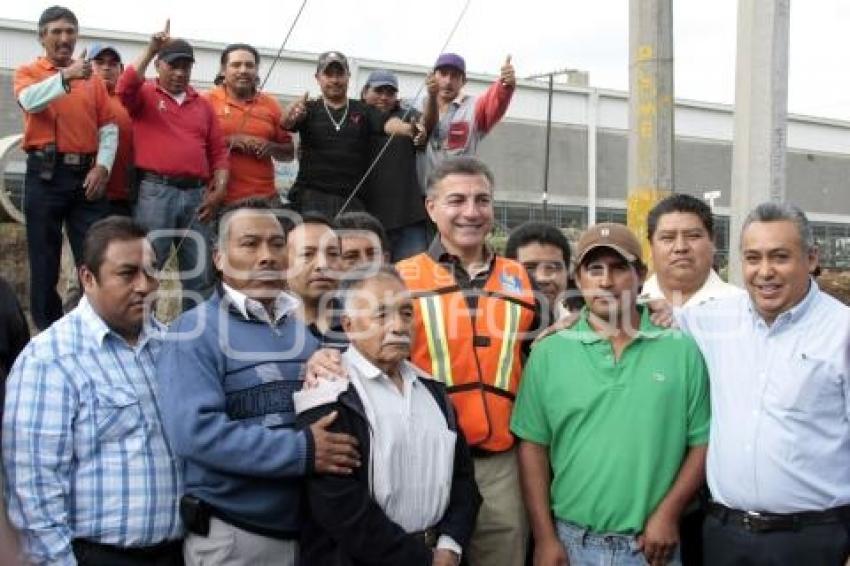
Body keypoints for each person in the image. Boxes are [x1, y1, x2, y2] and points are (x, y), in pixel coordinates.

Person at [155, 199, 360, 565]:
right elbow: (195, 433)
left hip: (309, 534)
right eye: (250, 244)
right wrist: (302, 452)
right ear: (218, 258)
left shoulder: (302, 334)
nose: (267, 256)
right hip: (238, 534)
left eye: (277, 244)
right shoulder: (194, 331)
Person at [511, 222, 710, 566]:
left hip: (651, 547)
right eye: (595, 269)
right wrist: (544, 537)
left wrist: (668, 513)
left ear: (641, 274)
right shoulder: (550, 351)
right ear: (579, 278)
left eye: (619, 268)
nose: (606, 281)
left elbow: (701, 442)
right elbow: (532, 448)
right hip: (571, 544)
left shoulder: (681, 349)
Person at [672, 203, 850, 565]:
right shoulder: (711, 321)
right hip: (724, 538)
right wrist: (568, 322)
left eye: (780, 257)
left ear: (811, 258)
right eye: (753, 258)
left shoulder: (843, 332)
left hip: (814, 543)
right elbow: (639, 319)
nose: (764, 272)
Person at [3, 217, 183, 565]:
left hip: (176, 552)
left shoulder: (170, 346)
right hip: (96, 555)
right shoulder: (50, 359)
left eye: (151, 272)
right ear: (88, 278)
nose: (145, 286)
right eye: (128, 274)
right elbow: (33, 494)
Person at [396, 156, 538, 566]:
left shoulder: (520, 277)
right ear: (431, 207)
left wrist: (650, 306)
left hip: (501, 466)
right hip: (427, 462)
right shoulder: (401, 277)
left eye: (482, 200)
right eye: (457, 200)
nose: (471, 212)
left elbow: (563, 331)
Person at [294, 265, 481, 565]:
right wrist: (421, 559)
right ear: (350, 325)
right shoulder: (328, 393)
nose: (398, 326)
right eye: (381, 315)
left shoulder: (433, 391)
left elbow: (463, 480)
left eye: (406, 313)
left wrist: (450, 546)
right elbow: (338, 505)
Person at [14, 5, 117, 329]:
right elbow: (29, 101)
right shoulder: (28, 71)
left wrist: (103, 167)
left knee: (95, 255)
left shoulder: (93, 80)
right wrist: (66, 76)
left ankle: (92, 327)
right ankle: (47, 331)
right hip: (44, 174)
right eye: (56, 32)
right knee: (44, 260)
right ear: (42, 37)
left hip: (86, 176)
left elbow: (109, 127)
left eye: (70, 31)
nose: (64, 38)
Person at [117, 21, 228, 311]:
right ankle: (143, 332)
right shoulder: (145, 95)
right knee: (148, 266)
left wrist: (219, 191)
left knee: (200, 271)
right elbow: (124, 86)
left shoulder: (203, 105)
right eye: (172, 65)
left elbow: (218, 151)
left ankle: (198, 336)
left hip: (197, 196)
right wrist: (152, 46)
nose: (179, 72)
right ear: (158, 66)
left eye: (185, 67)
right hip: (156, 191)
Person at [282, 51, 423, 218]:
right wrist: (290, 113)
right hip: (310, 199)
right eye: (328, 74)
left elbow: (388, 124)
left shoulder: (363, 110)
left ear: (348, 76)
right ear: (318, 77)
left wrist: (409, 129)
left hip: (352, 201)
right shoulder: (308, 108)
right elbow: (286, 123)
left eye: (340, 74)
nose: (335, 80)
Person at [206, 43, 294, 204]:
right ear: (223, 70)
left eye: (249, 65)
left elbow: (289, 154)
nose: (243, 70)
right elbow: (193, 146)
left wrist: (271, 147)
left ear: (256, 70)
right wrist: (228, 141)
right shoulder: (206, 101)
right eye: (236, 65)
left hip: (266, 199)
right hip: (220, 200)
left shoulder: (271, 104)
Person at [360, 69, 432, 261]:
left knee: (415, 283)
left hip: (408, 218)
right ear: (364, 91)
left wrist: (419, 130)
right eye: (378, 91)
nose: (384, 97)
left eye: (390, 93)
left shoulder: (408, 114)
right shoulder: (354, 117)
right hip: (366, 221)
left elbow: (423, 127)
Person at [416, 53, 515, 186]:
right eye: (443, 74)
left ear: (464, 82)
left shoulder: (474, 107)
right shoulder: (416, 105)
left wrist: (505, 84)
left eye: (455, 76)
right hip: (420, 195)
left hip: (458, 194)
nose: (448, 81)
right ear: (433, 76)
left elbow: (496, 101)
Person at [642, 194, 742, 306]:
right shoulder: (632, 303)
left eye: (693, 236)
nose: (680, 247)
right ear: (651, 246)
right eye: (668, 238)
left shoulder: (744, 306)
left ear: (713, 242)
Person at [284, 212, 348, 348]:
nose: (322, 264)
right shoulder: (266, 328)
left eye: (332, 254)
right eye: (307, 254)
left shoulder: (362, 324)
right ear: (284, 263)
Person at [89, 42, 134, 217]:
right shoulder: (80, 97)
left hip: (123, 195)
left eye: (113, 64)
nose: (106, 68)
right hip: (86, 193)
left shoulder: (130, 100)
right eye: (100, 62)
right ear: (88, 66)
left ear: (121, 69)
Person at [505, 221, 582, 318]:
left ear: (567, 272)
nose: (542, 278)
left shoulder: (579, 331)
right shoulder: (488, 328)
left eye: (552, 268)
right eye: (529, 268)